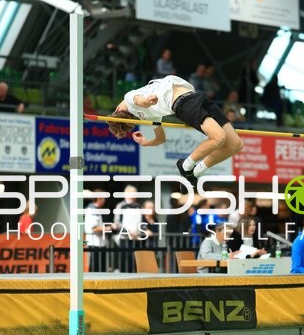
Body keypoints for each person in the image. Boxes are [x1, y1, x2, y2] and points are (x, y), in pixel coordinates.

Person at [107, 74, 243, 189]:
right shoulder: (137, 107)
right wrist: (147, 102)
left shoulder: (137, 106)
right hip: (185, 103)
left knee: (236, 145)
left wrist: (146, 141)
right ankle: (185, 166)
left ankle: (195, 172)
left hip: (196, 97)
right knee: (219, 138)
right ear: (116, 111)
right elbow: (142, 104)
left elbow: (159, 135)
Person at [84, 191, 111, 272]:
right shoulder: (92, 210)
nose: (105, 200)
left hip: (99, 244)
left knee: (101, 269)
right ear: (99, 198)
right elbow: (94, 228)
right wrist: (108, 228)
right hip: (94, 244)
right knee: (95, 269)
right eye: (103, 198)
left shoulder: (96, 210)